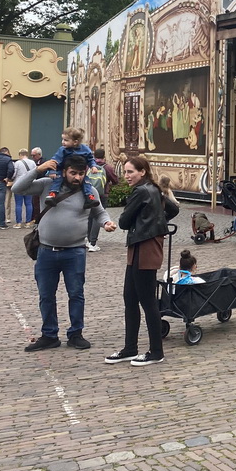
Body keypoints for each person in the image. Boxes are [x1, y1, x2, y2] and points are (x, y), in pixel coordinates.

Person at [14, 154, 116, 352]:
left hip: (75, 252)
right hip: (46, 252)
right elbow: (18, 188)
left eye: (80, 173)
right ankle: (49, 335)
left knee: (76, 294)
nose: (77, 178)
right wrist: (38, 169)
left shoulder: (90, 191)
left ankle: (76, 334)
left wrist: (106, 223)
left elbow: (99, 212)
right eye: (73, 173)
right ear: (63, 172)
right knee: (46, 295)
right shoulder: (47, 185)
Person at [105, 156, 180, 367]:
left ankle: (156, 351)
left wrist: (153, 223)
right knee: (130, 297)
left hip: (145, 247)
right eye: (126, 172)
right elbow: (173, 210)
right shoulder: (154, 189)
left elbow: (123, 221)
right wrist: (158, 222)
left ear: (142, 172)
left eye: (131, 172)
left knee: (147, 301)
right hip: (140, 246)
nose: (126, 176)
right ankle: (130, 348)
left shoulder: (141, 191)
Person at [46, 127, 100, 208]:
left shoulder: (85, 149)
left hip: (80, 171)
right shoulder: (63, 150)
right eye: (63, 139)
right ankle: (52, 194)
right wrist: (52, 171)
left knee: (87, 181)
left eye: (66, 140)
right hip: (62, 170)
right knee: (58, 179)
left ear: (75, 142)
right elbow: (55, 161)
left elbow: (90, 159)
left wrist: (93, 166)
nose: (63, 142)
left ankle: (89, 197)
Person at [85, 148, 119, 252]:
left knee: (90, 217)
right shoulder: (107, 167)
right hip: (102, 195)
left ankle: (87, 239)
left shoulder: (89, 166)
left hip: (89, 194)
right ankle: (93, 243)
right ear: (104, 156)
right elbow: (115, 180)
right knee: (98, 216)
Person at [11, 149, 35, 229]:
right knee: (29, 203)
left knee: (18, 204)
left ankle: (19, 223)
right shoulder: (32, 162)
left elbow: (14, 174)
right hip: (29, 185)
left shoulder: (17, 163)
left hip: (19, 184)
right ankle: (28, 222)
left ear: (20, 155)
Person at [30, 147, 44, 223]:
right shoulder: (32, 162)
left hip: (40, 184)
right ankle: (34, 217)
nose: (32, 157)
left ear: (39, 155)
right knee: (34, 202)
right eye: (31, 155)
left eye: (34, 155)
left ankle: (38, 218)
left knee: (38, 203)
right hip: (34, 184)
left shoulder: (44, 162)